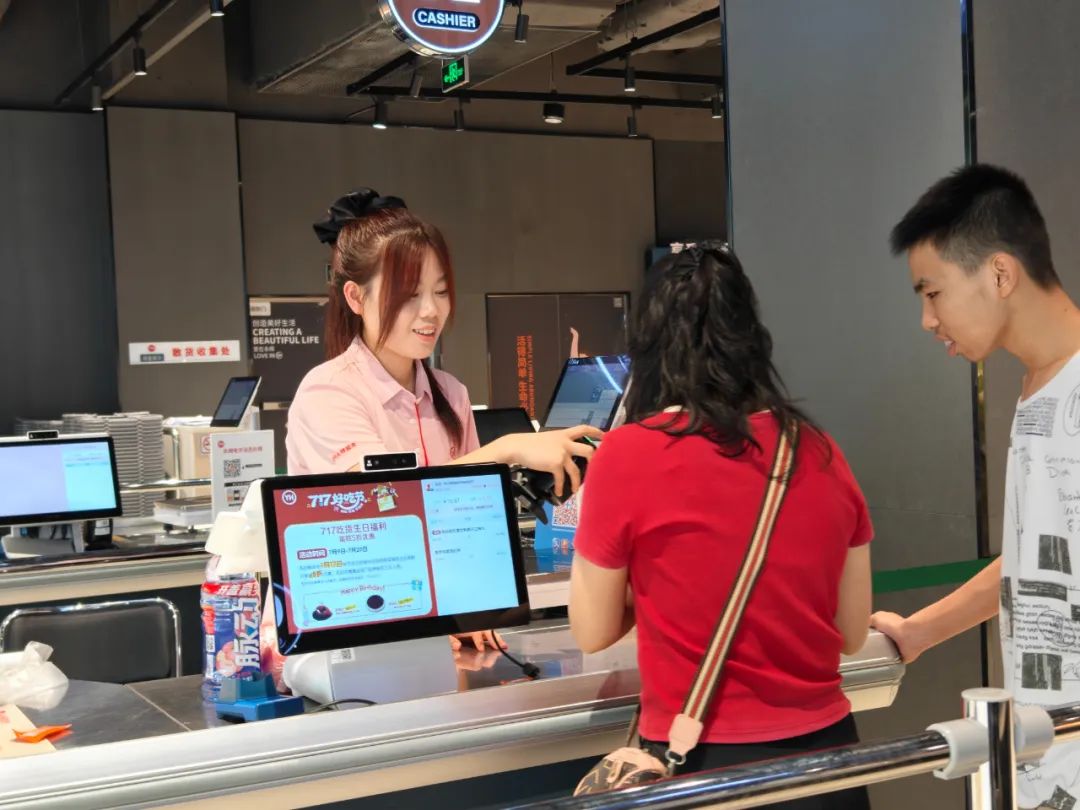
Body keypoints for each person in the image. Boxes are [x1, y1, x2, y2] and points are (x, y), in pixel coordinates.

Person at [568, 242, 873, 809]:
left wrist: (658, 589)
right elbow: (851, 631)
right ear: (752, 339)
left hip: (702, 765)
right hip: (829, 763)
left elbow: (591, 630)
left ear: (650, 344)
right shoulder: (818, 451)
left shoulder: (627, 455)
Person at [287, 189, 601, 650]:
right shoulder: (328, 391)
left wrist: (467, 611)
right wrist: (506, 449)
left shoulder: (451, 394)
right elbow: (382, 505)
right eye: (409, 295)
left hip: (432, 631)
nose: (431, 311)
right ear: (355, 297)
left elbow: (466, 524)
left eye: (439, 291)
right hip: (349, 632)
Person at [870, 164, 1080, 808]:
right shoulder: (1039, 387)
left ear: (999, 274)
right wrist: (919, 632)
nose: (927, 320)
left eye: (933, 293)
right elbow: (1039, 561)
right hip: (1045, 756)